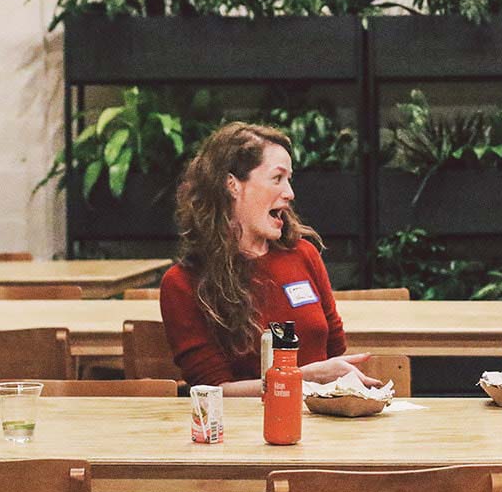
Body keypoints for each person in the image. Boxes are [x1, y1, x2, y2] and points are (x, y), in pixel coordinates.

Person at [160, 121, 380, 398]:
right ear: (232, 185)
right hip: (241, 434)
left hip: (321, 427)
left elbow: (334, 350)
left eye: (289, 179)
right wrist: (303, 378)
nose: (290, 193)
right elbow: (212, 391)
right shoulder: (182, 283)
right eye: (277, 179)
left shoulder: (304, 255)